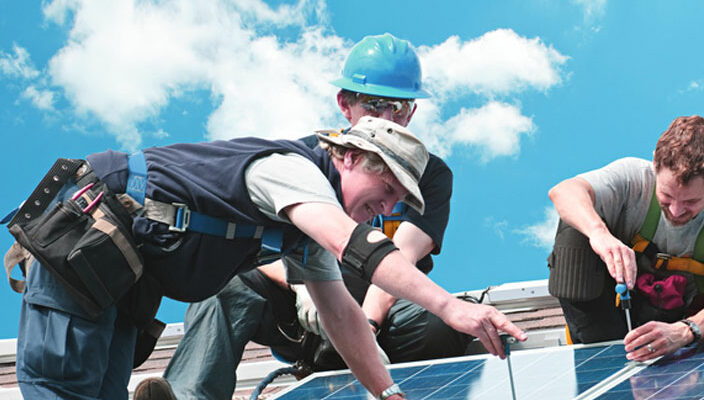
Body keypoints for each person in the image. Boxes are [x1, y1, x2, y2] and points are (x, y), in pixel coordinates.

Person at [8, 115, 526, 400]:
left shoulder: (301, 235)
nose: (386, 207)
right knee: (64, 390)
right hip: (86, 241)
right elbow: (356, 245)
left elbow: (344, 317)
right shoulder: (292, 172)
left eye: (396, 203)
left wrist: (387, 395)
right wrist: (452, 308)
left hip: (124, 281)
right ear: (346, 156)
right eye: (386, 185)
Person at [163, 33, 476, 400]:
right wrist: (301, 287)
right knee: (226, 282)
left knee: (445, 322)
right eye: (375, 104)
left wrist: (366, 326)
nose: (388, 118)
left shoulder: (431, 177)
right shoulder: (305, 160)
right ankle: (187, 395)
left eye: (400, 107)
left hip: (380, 317)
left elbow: (401, 258)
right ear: (346, 105)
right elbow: (255, 239)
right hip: (303, 311)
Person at [548, 115, 704, 362]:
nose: (675, 211)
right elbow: (564, 191)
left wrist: (687, 330)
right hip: (607, 319)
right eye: (666, 196)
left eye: (691, 202)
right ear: (654, 163)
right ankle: (600, 356)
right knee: (576, 226)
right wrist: (599, 234)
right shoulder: (634, 178)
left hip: (683, 327)